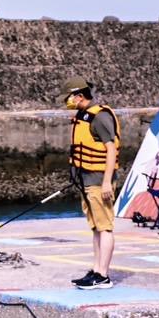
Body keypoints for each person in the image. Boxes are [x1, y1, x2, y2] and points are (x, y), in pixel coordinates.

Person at [62, 77, 120, 290]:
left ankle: (103, 276)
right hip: (85, 180)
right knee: (95, 227)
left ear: (79, 95)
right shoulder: (83, 115)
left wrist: (106, 183)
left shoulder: (101, 117)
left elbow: (111, 149)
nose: (67, 102)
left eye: (69, 97)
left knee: (105, 227)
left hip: (98, 180)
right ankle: (96, 270)